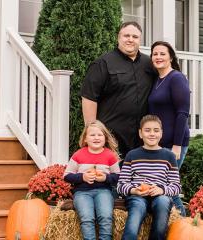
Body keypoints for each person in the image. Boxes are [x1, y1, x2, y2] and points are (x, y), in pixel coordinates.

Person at [81, 21, 155, 159]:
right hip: (111, 137)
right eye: (126, 35)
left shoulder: (149, 64)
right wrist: (91, 132)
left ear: (140, 40)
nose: (130, 39)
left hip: (141, 138)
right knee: (111, 178)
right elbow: (89, 97)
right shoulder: (103, 63)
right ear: (118, 38)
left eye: (135, 36)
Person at [117, 115, 181, 240]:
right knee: (136, 213)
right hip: (137, 196)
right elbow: (121, 185)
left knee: (163, 202)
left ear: (161, 133)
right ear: (140, 133)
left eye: (156, 130)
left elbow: (176, 186)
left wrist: (162, 190)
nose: (152, 134)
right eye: (147, 130)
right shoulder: (132, 155)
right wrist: (134, 190)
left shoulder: (169, 156)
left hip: (160, 196)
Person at [148, 41, 190, 216]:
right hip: (159, 144)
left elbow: (182, 113)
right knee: (160, 187)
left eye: (162, 54)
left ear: (170, 57)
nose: (158, 57)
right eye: (155, 54)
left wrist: (177, 145)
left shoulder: (176, 78)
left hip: (174, 143)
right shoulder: (158, 80)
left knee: (168, 188)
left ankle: (185, 227)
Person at [64, 121, 120, 240]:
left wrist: (105, 178)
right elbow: (67, 176)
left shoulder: (110, 156)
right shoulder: (78, 155)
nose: (96, 138)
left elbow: (118, 176)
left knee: (105, 217)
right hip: (82, 193)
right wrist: (82, 177)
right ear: (85, 139)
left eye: (99, 135)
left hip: (103, 191)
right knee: (87, 218)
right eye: (92, 135)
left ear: (105, 138)